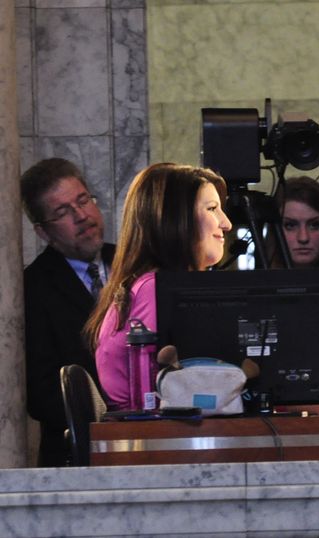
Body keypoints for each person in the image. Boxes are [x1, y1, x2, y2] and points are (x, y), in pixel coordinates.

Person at [84, 163, 232, 410]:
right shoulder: (154, 290)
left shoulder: (146, 285)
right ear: (176, 220)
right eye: (212, 209)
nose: (226, 223)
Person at [21, 157, 115, 467]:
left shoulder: (134, 262)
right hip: (76, 457)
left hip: (146, 445)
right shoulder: (32, 288)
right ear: (43, 232)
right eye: (63, 212)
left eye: (83, 200)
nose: (82, 216)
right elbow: (40, 393)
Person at [272, 176, 319, 268]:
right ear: (273, 230)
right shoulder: (252, 282)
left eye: (314, 225)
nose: (303, 238)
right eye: (290, 225)